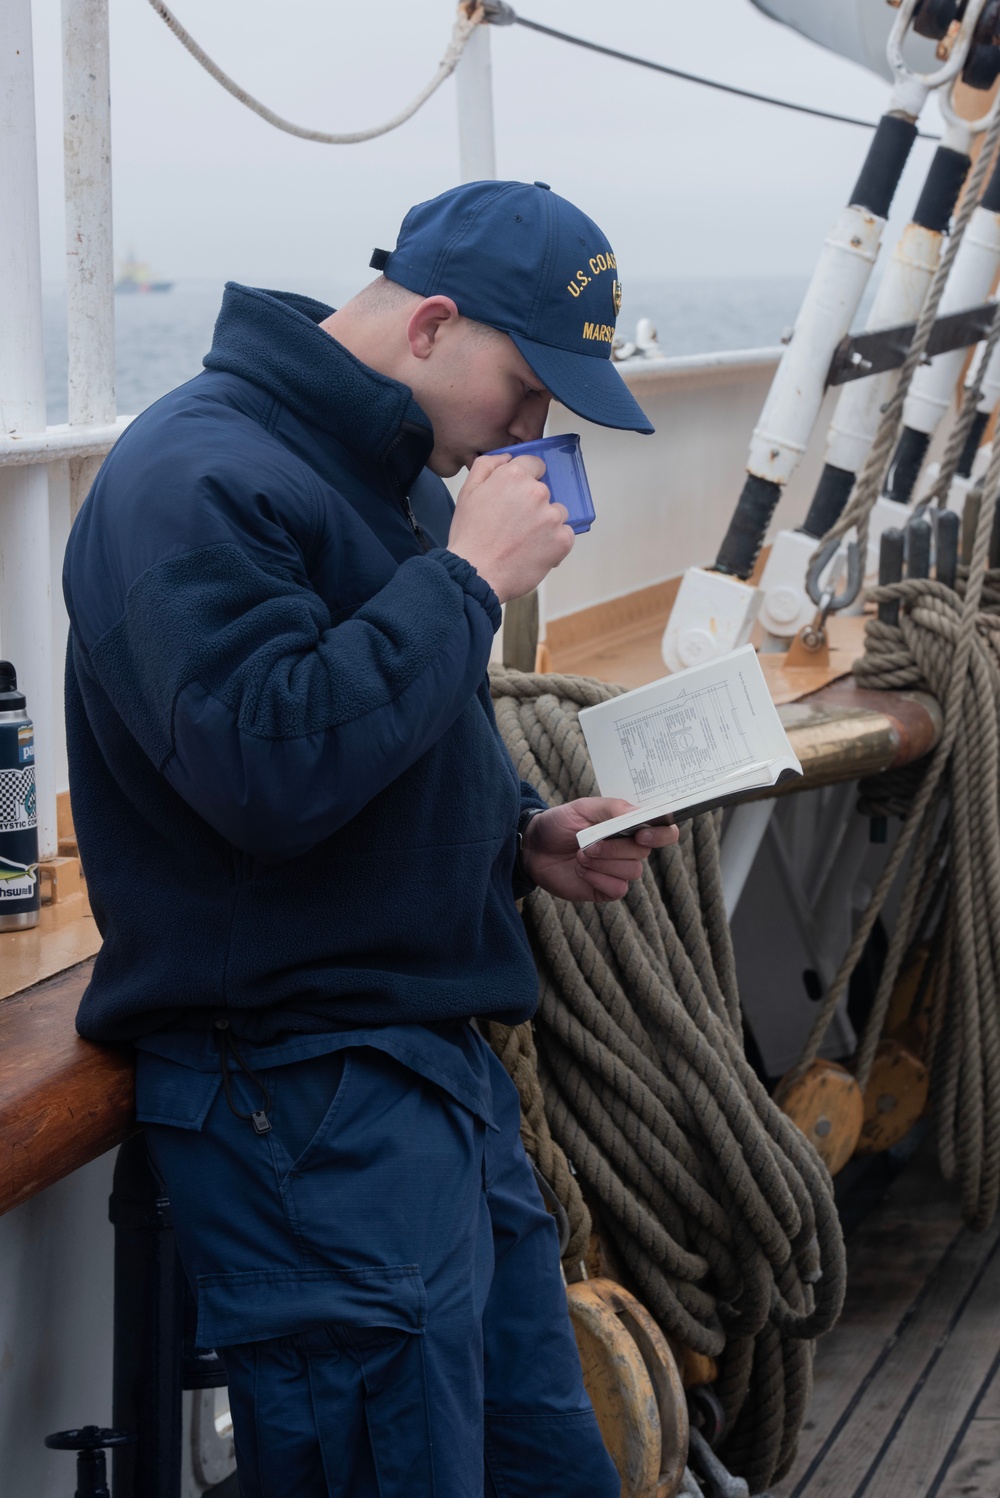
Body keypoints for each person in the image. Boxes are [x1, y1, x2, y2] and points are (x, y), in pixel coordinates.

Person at [63, 179, 675, 1498]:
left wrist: (522, 842)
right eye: (526, 385)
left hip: (428, 1083)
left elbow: (384, 742)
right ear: (434, 324)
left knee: (545, 1468)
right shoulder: (194, 478)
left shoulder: (371, 473)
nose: (534, 425)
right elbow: (266, 767)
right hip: (304, 1098)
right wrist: (463, 581)